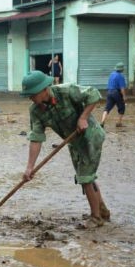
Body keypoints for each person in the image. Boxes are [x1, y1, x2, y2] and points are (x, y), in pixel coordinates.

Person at [20, 70, 110, 228]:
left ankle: (96, 218)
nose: (30, 98)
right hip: (74, 142)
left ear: (44, 89)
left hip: (91, 137)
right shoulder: (35, 111)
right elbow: (36, 138)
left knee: (85, 177)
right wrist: (29, 167)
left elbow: (94, 94)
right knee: (86, 177)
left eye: (32, 94)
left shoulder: (66, 91)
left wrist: (83, 117)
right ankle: (102, 210)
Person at [101, 62, 127, 128]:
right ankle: (119, 123)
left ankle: (102, 122)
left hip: (109, 92)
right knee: (122, 107)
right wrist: (124, 96)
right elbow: (122, 88)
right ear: (122, 69)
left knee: (107, 108)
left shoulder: (111, 74)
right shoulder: (121, 76)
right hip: (116, 92)